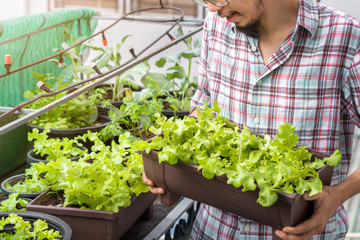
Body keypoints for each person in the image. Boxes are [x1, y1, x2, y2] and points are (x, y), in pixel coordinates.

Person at [142, 0, 360, 239]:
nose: (213, 8)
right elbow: (203, 109)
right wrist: (164, 161)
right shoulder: (216, 26)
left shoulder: (346, 38)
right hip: (214, 230)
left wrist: (337, 195)